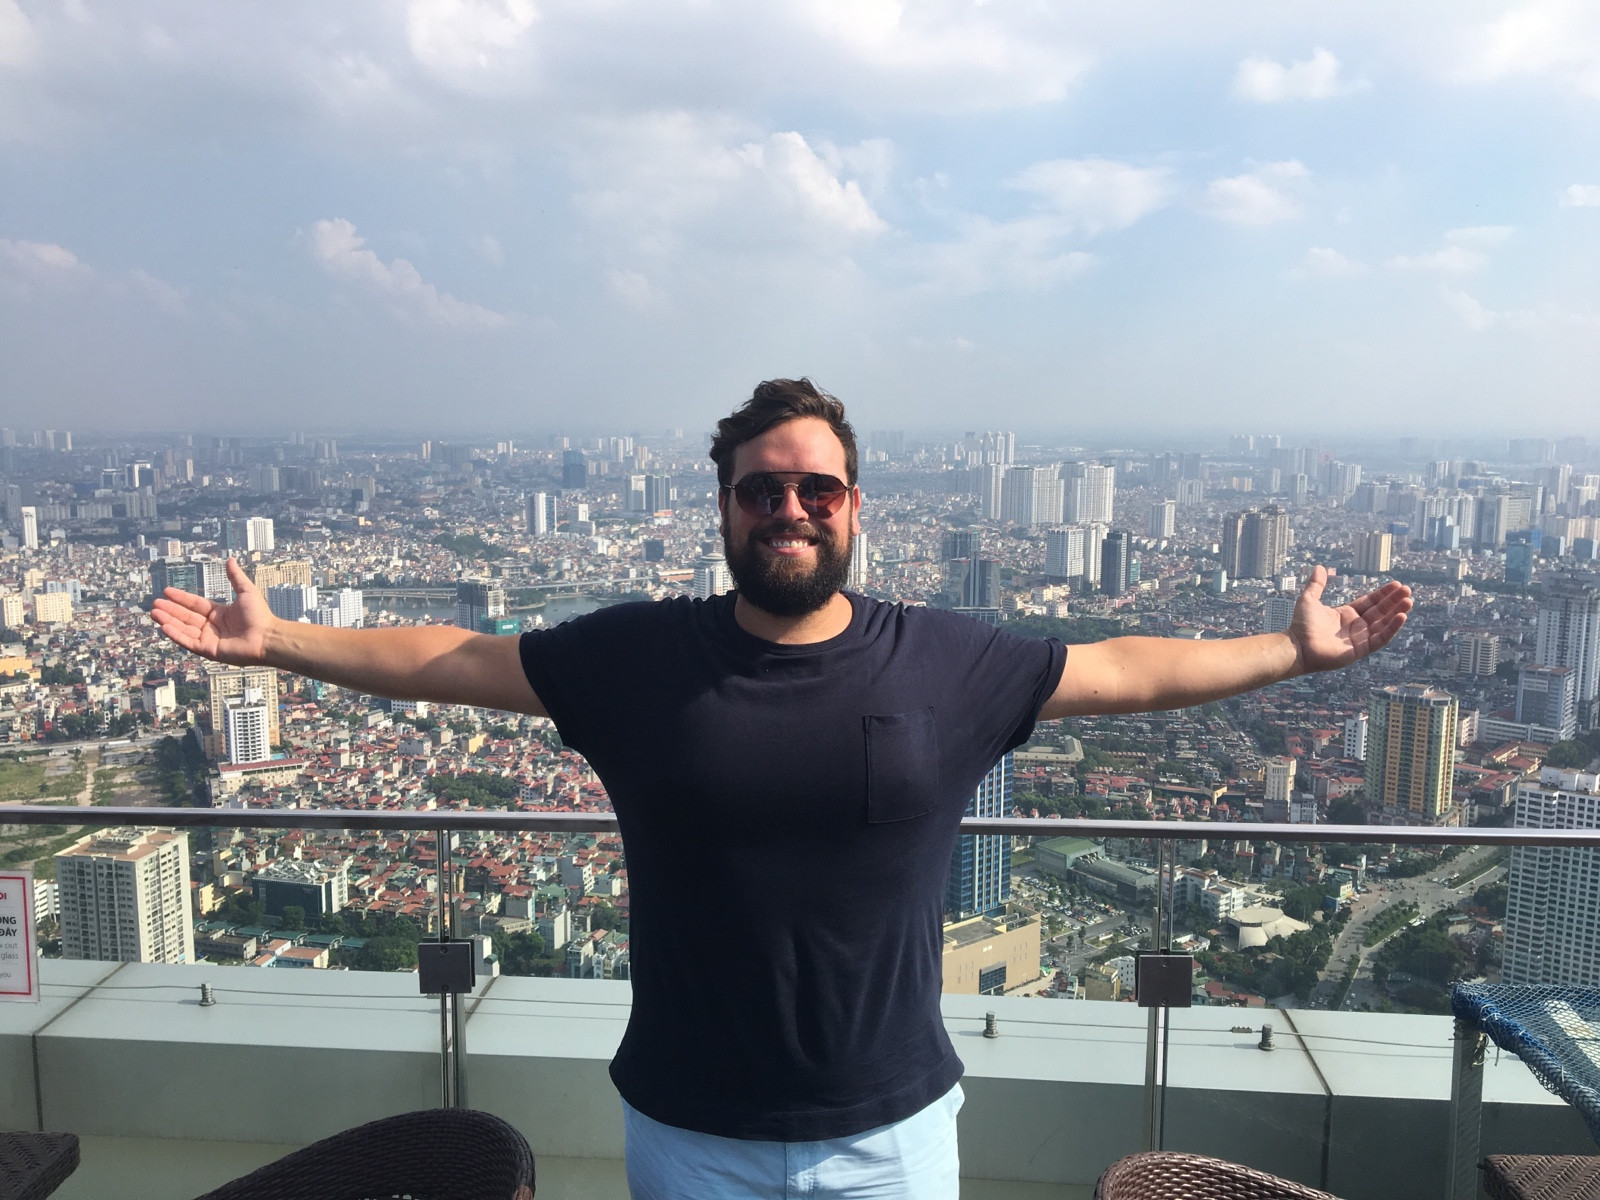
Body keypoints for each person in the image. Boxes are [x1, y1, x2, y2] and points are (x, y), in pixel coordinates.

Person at [151, 378, 1411, 1200]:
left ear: (855, 509)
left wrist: (1288, 652)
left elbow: (1122, 670)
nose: (790, 509)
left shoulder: (943, 659)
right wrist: (282, 641)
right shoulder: (642, 657)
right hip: (692, 1132)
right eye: (763, 490)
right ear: (725, 508)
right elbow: (458, 660)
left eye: (817, 489)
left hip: (894, 1133)